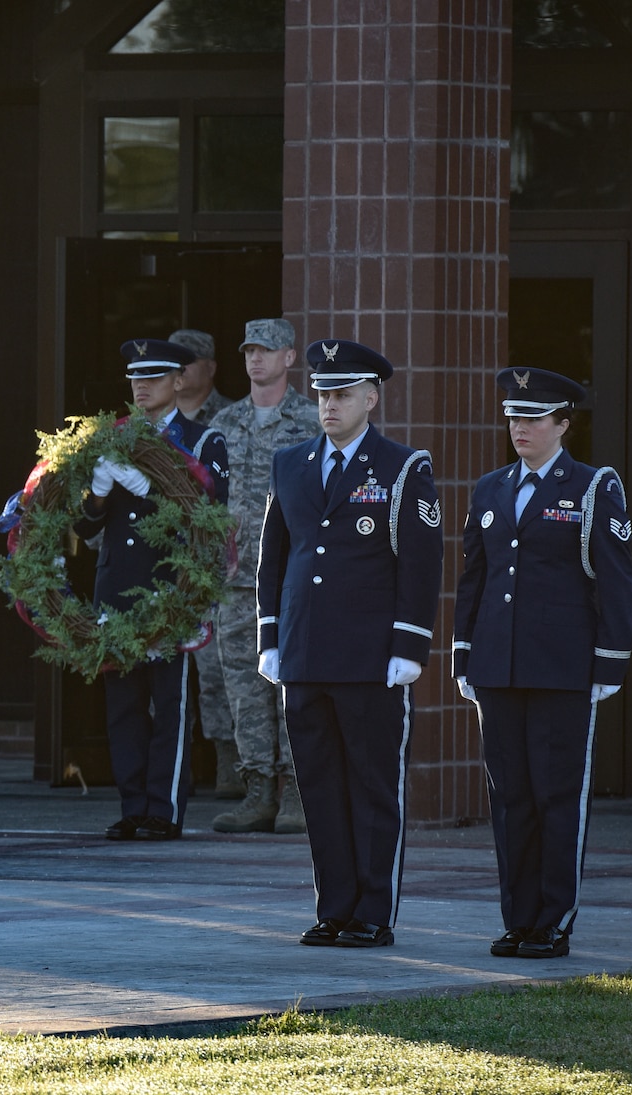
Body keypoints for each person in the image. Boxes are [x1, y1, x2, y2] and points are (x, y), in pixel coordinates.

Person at [257, 339, 442, 948]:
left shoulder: (402, 467)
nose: (329, 405)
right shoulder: (290, 464)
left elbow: (420, 564)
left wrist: (409, 646)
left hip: (369, 658)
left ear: (371, 397)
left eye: (341, 394)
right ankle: (334, 907)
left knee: (371, 786)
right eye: (322, 394)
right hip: (307, 654)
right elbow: (275, 560)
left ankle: (372, 912)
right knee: (319, 786)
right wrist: (271, 638)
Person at [454, 367, 632, 960]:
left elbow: (615, 581)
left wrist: (609, 662)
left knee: (557, 794)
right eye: (513, 416)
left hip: (561, 669)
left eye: (533, 417)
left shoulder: (592, 487)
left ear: (563, 422)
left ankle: (553, 918)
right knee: (510, 797)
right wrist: (464, 653)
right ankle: (519, 917)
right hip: (499, 667)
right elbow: (474, 580)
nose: (520, 427)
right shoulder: (490, 489)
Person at [74, 339, 229, 841]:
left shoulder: (205, 443)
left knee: (170, 706)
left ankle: (164, 809)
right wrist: (97, 492)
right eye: (135, 378)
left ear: (179, 381)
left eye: (155, 377)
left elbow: (209, 521)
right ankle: (133, 804)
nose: (142, 387)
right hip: (118, 590)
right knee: (123, 707)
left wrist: (151, 487)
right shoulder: (109, 441)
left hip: (171, 592)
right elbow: (83, 526)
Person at [208, 320, 320, 835]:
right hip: (234, 583)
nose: (256, 360)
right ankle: (257, 789)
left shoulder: (312, 419)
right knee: (243, 687)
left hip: (289, 579)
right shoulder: (224, 423)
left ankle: (297, 789)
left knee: (291, 683)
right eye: (250, 350)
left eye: (267, 350)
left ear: (289, 357)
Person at [169, 328, 235, 426]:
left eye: (188, 360)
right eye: (173, 360)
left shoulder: (234, 415)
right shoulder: (152, 415)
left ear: (211, 368)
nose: (180, 366)